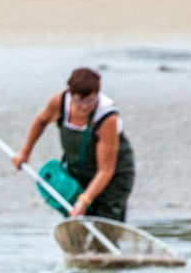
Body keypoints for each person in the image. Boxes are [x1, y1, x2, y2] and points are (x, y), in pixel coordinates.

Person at [11, 67, 135, 222]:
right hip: (78, 168)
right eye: (78, 101)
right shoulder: (60, 102)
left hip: (113, 176)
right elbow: (41, 121)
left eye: (90, 101)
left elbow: (106, 170)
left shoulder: (107, 117)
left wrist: (84, 200)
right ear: (70, 94)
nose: (83, 106)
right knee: (77, 222)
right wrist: (25, 152)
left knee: (104, 222)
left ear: (97, 95)